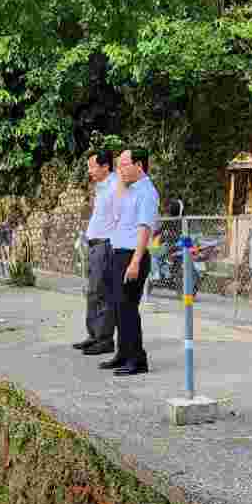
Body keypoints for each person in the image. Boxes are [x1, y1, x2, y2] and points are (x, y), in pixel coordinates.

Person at [100, 148, 159, 377]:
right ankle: (123, 354)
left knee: (128, 309)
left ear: (139, 166)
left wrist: (135, 262)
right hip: (119, 253)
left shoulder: (147, 192)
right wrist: (122, 181)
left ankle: (137, 360)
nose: (119, 170)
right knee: (118, 307)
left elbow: (145, 228)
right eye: (119, 165)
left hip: (133, 255)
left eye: (124, 165)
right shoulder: (131, 189)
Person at [74, 149, 120, 356]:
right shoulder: (101, 188)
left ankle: (104, 339)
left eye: (92, 166)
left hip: (105, 245)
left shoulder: (116, 186)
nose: (89, 171)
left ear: (105, 167)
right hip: (94, 245)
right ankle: (93, 335)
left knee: (102, 293)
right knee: (92, 292)